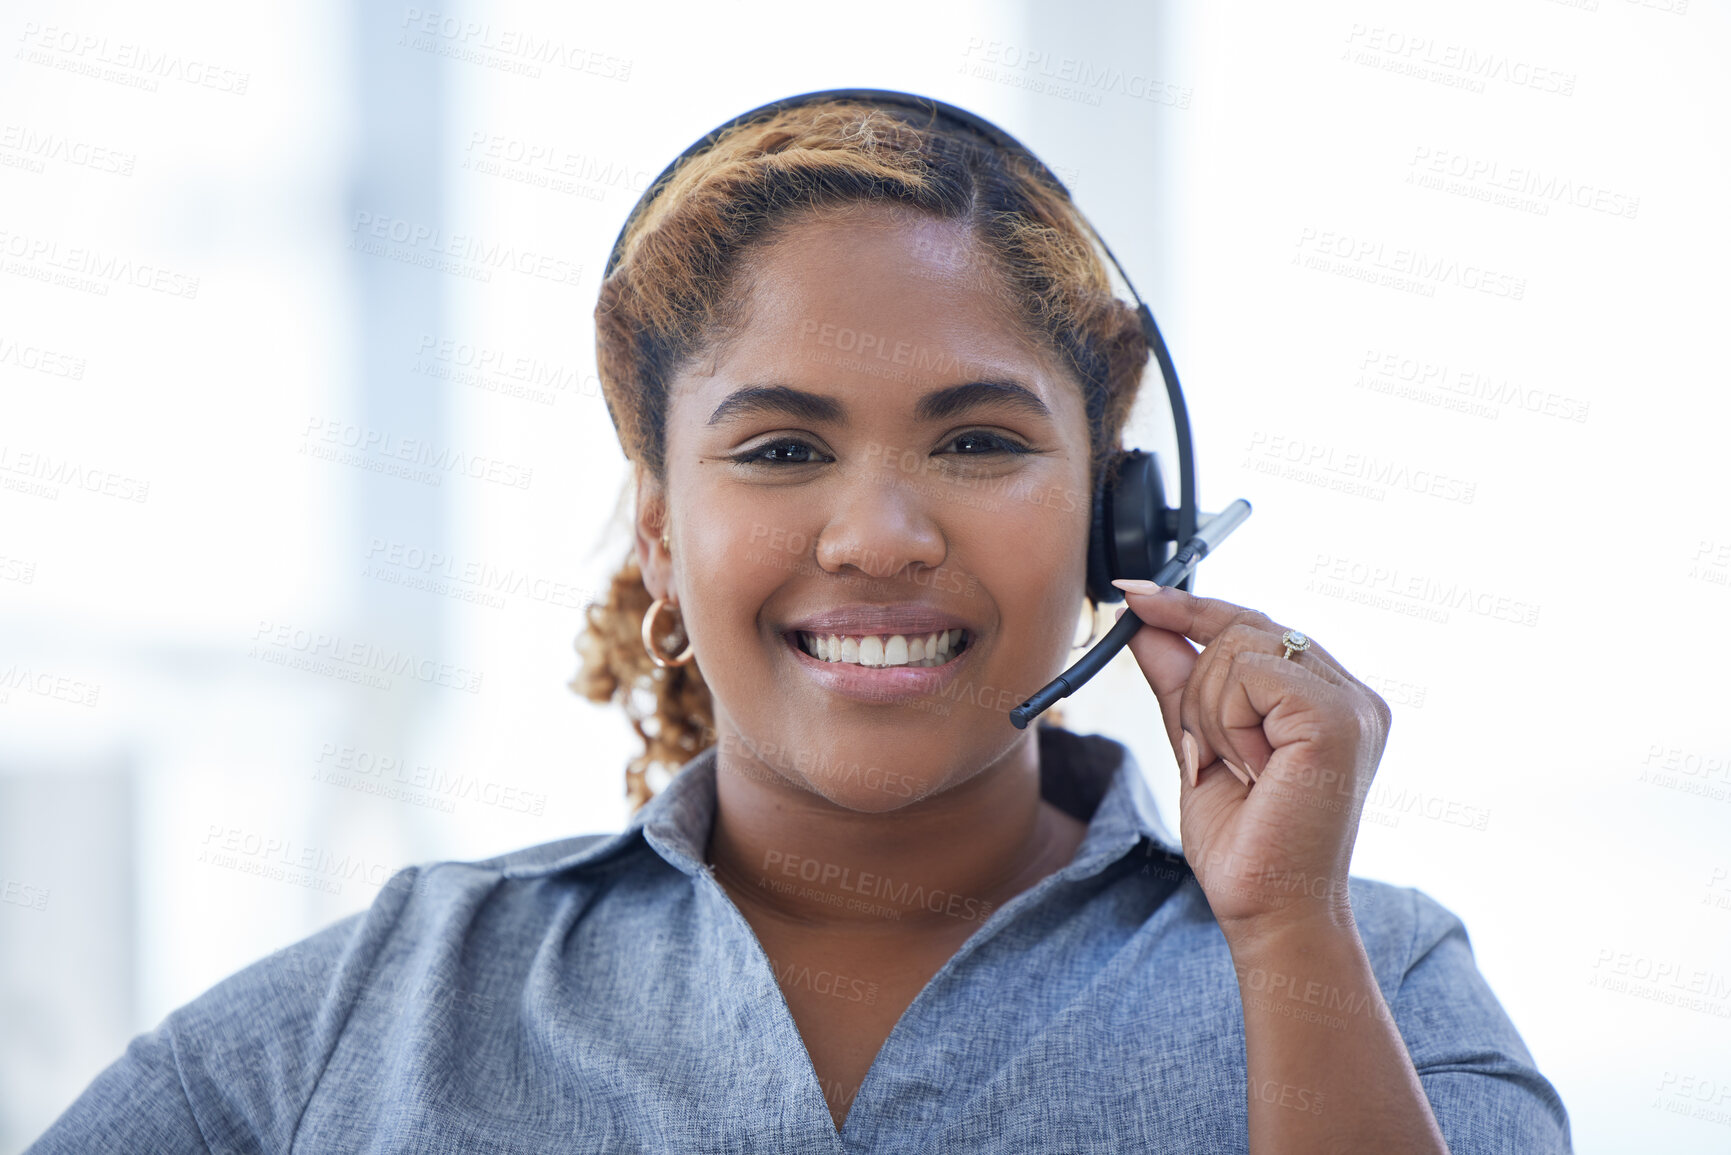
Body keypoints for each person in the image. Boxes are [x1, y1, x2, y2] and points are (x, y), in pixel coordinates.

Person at [28, 97, 1573, 1154]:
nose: (881, 535)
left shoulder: (1373, 975)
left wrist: (1285, 937)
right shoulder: (385, 1001)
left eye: (978, 443)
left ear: (1122, 515)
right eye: (778, 449)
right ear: (658, 527)